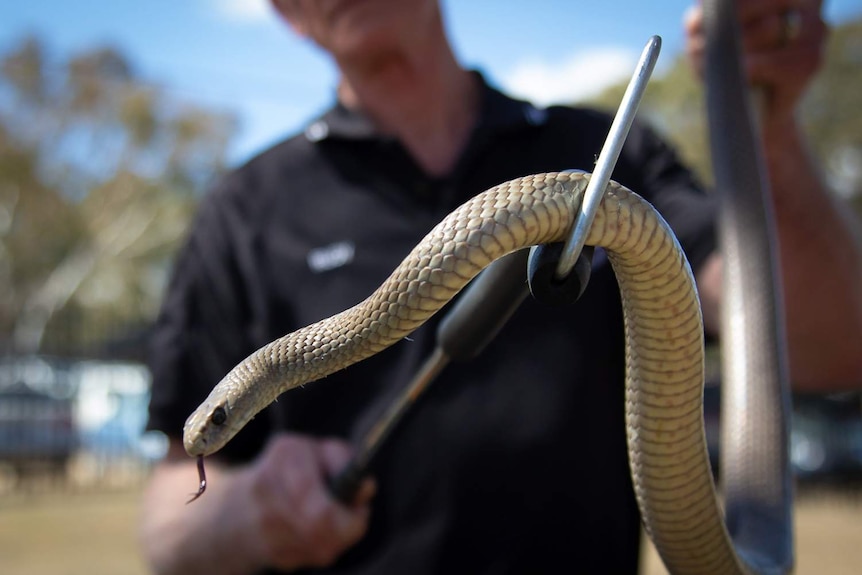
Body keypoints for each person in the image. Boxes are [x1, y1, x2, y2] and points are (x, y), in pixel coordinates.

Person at [139, 1, 862, 573]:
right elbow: (167, 517)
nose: (215, 431)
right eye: (220, 422)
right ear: (284, 10)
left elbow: (827, 346)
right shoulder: (243, 210)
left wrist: (765, 117)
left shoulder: (606, 150)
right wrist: (239, 512)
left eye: (223, 419)